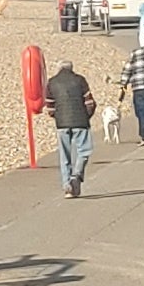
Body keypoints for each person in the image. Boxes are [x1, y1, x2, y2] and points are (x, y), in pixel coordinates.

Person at [47, 56, 97, 195]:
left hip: (62, 123)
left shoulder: (52, 82)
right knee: (84, 151)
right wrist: (86, 116)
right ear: (72, 68)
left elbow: (50, 106)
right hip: (80, 121)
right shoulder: (80, 80)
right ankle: (77, 174)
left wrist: (57, 117)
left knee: (64, 155)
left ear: (59, 68)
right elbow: (90, 102)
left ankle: (66, 184)